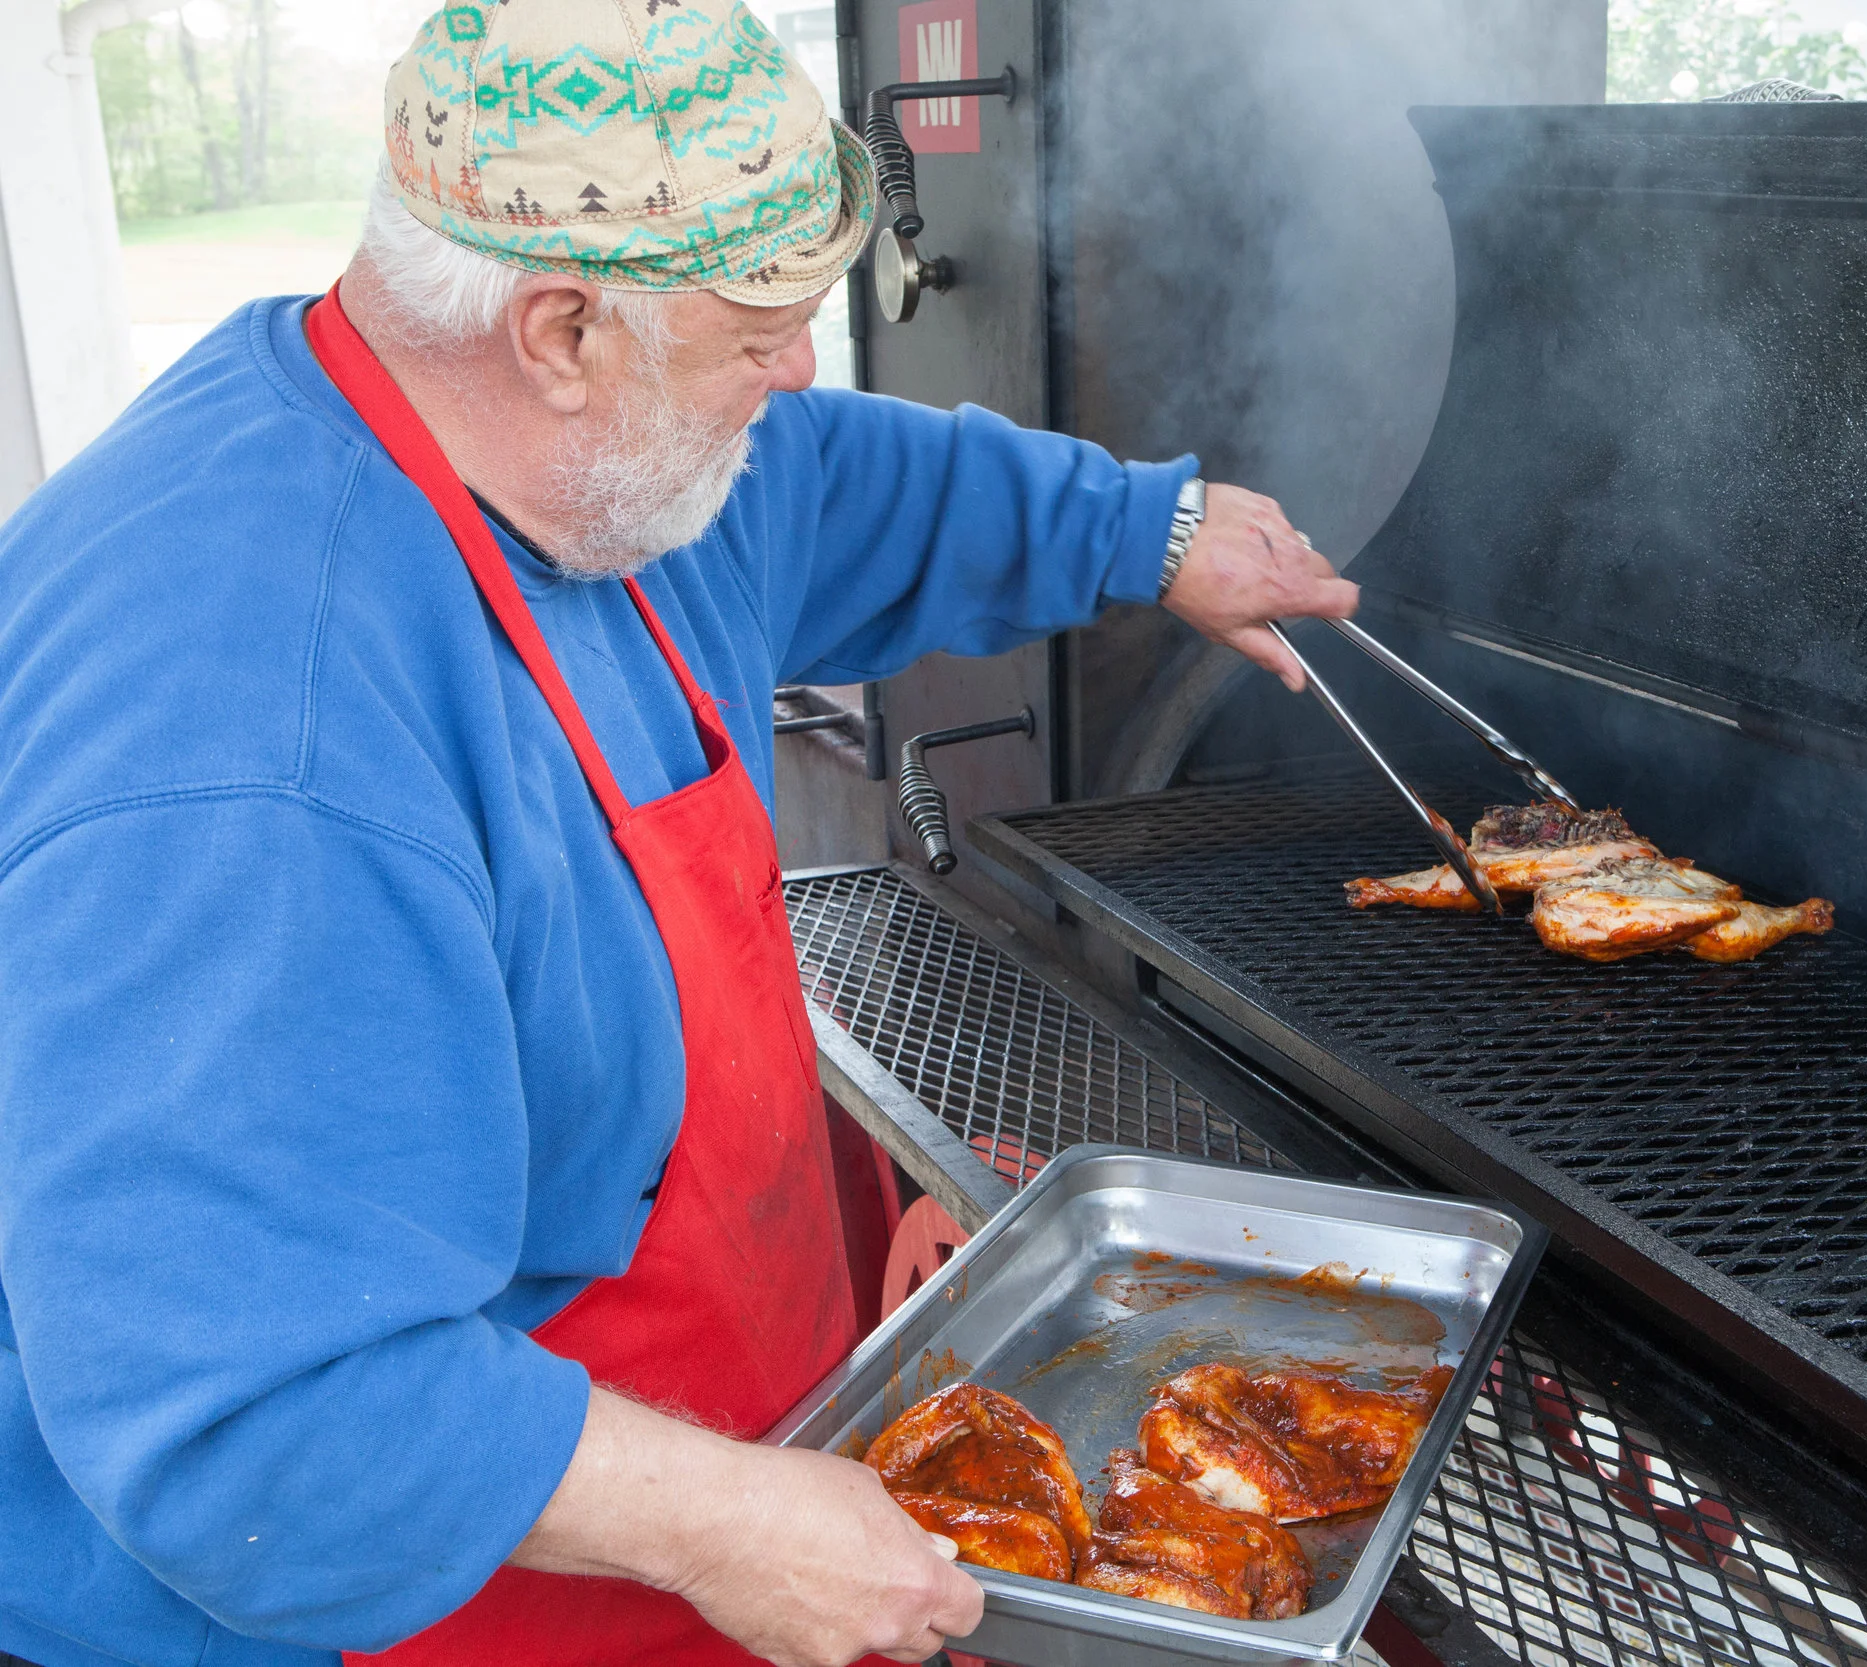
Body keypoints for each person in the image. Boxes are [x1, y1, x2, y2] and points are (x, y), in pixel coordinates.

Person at [0, 4, 1355, 1666]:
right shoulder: (250, 736)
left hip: (695, 1465)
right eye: (762, 331)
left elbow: (840, 480)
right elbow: (256, 1413)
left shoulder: (595, 459)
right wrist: (725, 1523)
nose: (799, 369)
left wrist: (1152, 529)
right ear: (562, 329)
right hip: (354, 1607)